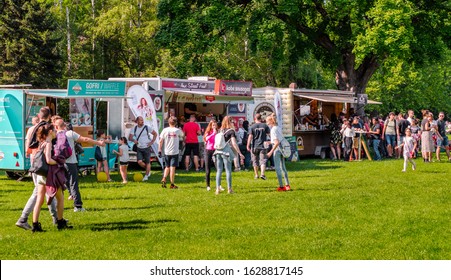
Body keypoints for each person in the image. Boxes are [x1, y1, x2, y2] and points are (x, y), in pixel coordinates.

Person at [16, 108, 58, 230]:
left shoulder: (32, 128)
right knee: (42, 192)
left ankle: (56, 218)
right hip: (43, 162)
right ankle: (23, 218)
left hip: (35, 161)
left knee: (45, 191)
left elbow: (28, 147)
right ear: (49, 116)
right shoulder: (46, 127)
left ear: (39, 115)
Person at [31, 123, 72, 232]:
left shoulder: (42, 142)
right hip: (49, 175)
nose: (55, 132)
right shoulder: (48, 143)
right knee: (60, 198)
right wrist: (59, 163)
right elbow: (48, 160)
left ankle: (35, 225)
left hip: (41, 175)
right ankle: (60, 222)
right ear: (50, 132)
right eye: (54, 130)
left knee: (39, 200)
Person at [65, 122, 105, 212]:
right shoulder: (70, 133)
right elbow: (85, 139)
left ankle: (55, 205)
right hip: (70, 161)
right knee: (73, 183)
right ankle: (78, 206)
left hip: (59, 162)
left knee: (61, 182)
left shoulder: (55, 133)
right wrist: (98, 142)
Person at [214, 116, 244, 195]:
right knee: (228, 170)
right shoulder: (231, 131)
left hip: (218, 151)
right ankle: (229, 189)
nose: (233, 123)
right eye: (233, 121)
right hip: (226, 152)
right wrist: (239, 153)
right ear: (230, 122)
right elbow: (234, 143)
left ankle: (217, 189)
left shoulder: (220, 130)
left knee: (219, 170)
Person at [266, 115, 291, 192]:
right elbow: (278, 140)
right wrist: (270, 142)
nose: (266, 123)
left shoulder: (273, 130)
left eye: (267, 121)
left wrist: (270, 152)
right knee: (283, 167)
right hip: (283, 148)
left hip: (277, 149)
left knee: (277, 168)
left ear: (271, 121)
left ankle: (281, 186)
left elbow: (276, 142)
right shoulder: (278, 128)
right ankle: (287, 185)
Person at [159, 116, 184, 189]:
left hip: (167, 151)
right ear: (176, 123)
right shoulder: (177, 130)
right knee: (172, 168)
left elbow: (161, 141)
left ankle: (164, 178)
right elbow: (182, 136)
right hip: (174, 152)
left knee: (167, 167)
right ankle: (172, 184)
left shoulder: (165, 130)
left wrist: (159, 150)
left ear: (168, 122)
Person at [129, 116, 158, 181]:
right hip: (139, 147)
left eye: (142, 120)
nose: (142, 121)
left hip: (147, 147)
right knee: (139, 162)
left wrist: (152, 142)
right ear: (137, 121)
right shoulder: (134, 128)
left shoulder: (147, 127)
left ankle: (146, 175)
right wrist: (134, 140)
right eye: (140, 120)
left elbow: (155, 134)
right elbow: (130, 137)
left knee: (148, 162)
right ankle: (148, 169)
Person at [247, 113, 270, 180]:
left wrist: (248, 145)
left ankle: (256, 175)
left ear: (255, 118)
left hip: (254, 146)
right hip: (263, 146)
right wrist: (271, 141)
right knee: (263, 160)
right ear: (261, 118)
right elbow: (269, 134)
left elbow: (250, 136)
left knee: (255, 160)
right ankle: (262, 174)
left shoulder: (252, 126)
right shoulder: (265, 125)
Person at [203, 119, 218, 191]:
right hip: (208, 151)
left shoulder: (218, 132)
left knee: (218, 168)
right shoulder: (208, 132)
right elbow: (206, 139)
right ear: (211, 126)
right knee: (208, 169)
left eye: (215, 125)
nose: (214, 126)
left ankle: (219, 184)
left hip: (215, 150)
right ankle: (208, 185)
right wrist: (213, 134)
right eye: (213, 125)